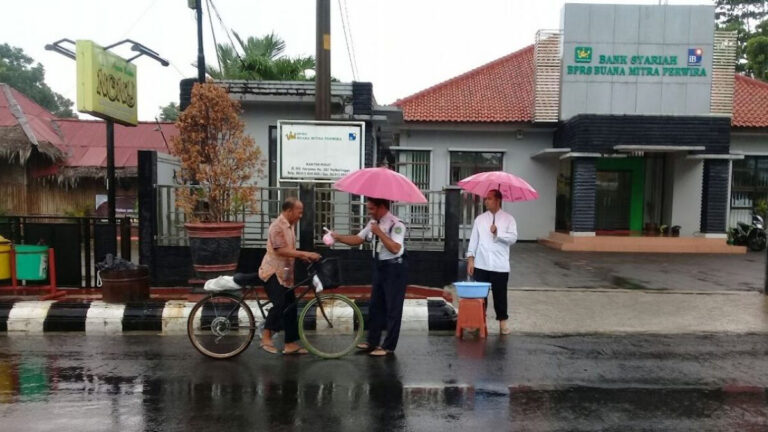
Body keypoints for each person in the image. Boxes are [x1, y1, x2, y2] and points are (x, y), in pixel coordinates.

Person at [332, 198, 407, 356]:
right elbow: (358, 239)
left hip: (394, 268)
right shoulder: (373, 223)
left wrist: (380, 233)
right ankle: (372, 341)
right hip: (379, 266)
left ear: (381, 207)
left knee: (393, 308)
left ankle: (388, 346)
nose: (369, 212)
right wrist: (337, 237)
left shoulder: (397, 224)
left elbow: (395, 248)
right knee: (375, 306)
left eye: (372, 208)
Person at [258, 197, 322, 355]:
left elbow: (289, 250)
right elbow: (280, 250)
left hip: (285, 274)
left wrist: (302, 257)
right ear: (288, 211)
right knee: (279, 304)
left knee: (291, 308)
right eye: (299, 212)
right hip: (272, 273)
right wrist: (304, 253)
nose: (301, 216)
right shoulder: (277, 226)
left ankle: (290, 343)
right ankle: (266, 337)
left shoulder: (290, 226)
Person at [466, 189, 518, 335]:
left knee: (500, 295)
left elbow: (513, 238)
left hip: (499, 264)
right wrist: (471, 260)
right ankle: (479, 322)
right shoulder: (480, 219)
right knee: (480, 296)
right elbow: (474, 240)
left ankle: (503, 322)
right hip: (482, 264)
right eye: (485, 198)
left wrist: (498, 233)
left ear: (498, 200)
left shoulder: (508, 219)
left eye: (489, 198)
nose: (486, 201)